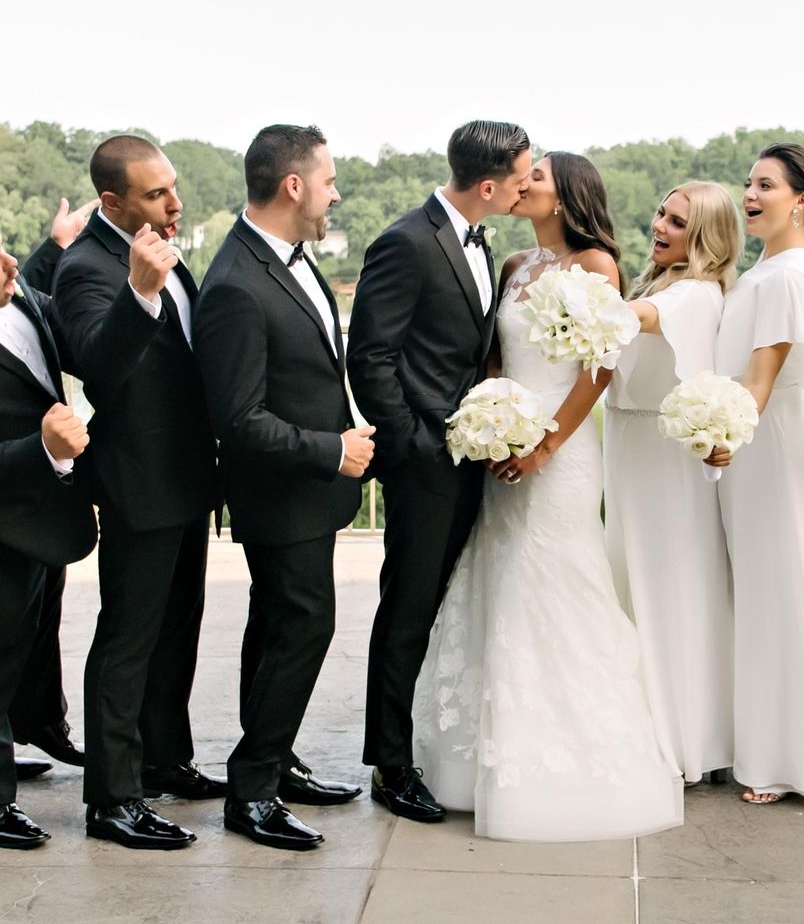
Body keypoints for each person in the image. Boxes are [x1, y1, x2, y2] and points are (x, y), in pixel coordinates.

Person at [414, 152, 683, 841]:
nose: (523, 183)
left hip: (560, 455)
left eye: (537, 178)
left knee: (561, 585)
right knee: (498, 582)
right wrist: (495, 417)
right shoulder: (513, 266)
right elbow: (499, 355)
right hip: (504, 444)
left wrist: (543, 444)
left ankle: (571, 758)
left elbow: (598, 368)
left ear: (565, 197)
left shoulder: (596, 266)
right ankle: (472, 756)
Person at [348, 121, 531, 823]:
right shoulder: (406, 241)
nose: (525, 184)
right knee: (407, 608)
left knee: (436, 604)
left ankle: (421, 742)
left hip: (472, 460)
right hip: (426, 463)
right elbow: (370, 356)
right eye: (520, 176)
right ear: (489, 185)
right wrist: (417, 445)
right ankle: (389, 763)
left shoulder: (482, 244)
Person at [194, 125, 372, 850]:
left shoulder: (288, 261)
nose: (335, 192)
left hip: (303, 493)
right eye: (328, 179)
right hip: (281, 494)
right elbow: (238, 420)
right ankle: (254, 788)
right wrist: (332, 449)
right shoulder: (237, 282)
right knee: (304, 625)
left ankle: (278, 760)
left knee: (275, 626)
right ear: (293, 185)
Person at [52, 136, 221, 849]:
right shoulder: (87, 267)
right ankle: (113, 799)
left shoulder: (157, 247)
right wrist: (141, 290)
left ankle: (165, 756)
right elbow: (97, 366)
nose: (175, 203)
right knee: (128, 640)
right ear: (112, 201)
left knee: (178, 629)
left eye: (174, 187)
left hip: (188, 479)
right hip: (138, 484)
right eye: (156, 194)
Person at [708, 143, 804, 805]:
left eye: (766, 184)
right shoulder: (764, 267)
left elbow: (760, 378)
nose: (752, 194)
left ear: (802, 199)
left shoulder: (792, 274)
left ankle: (785, 758)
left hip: (765, 440)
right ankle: (752, 738)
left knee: (776, 590)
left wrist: (724, 434)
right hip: (749, 437)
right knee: (752, 589)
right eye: (748, 183)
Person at [604, 181, 741, 784]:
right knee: (635, 587)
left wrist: (567, 294)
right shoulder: (661, 280)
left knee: (664, 591)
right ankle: (640, 725)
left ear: (706, 237)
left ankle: (677, 740)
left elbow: (638, 319)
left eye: (678, 221)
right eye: (661, 211)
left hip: (661, 461)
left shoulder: (693, 292)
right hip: (633, 451)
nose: (660, 224)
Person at [0, 234, 96, 847]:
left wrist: (52, 250)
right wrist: (41, 451)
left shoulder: (23, 298)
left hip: (36, 516)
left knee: (21, 646)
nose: (7, 265)